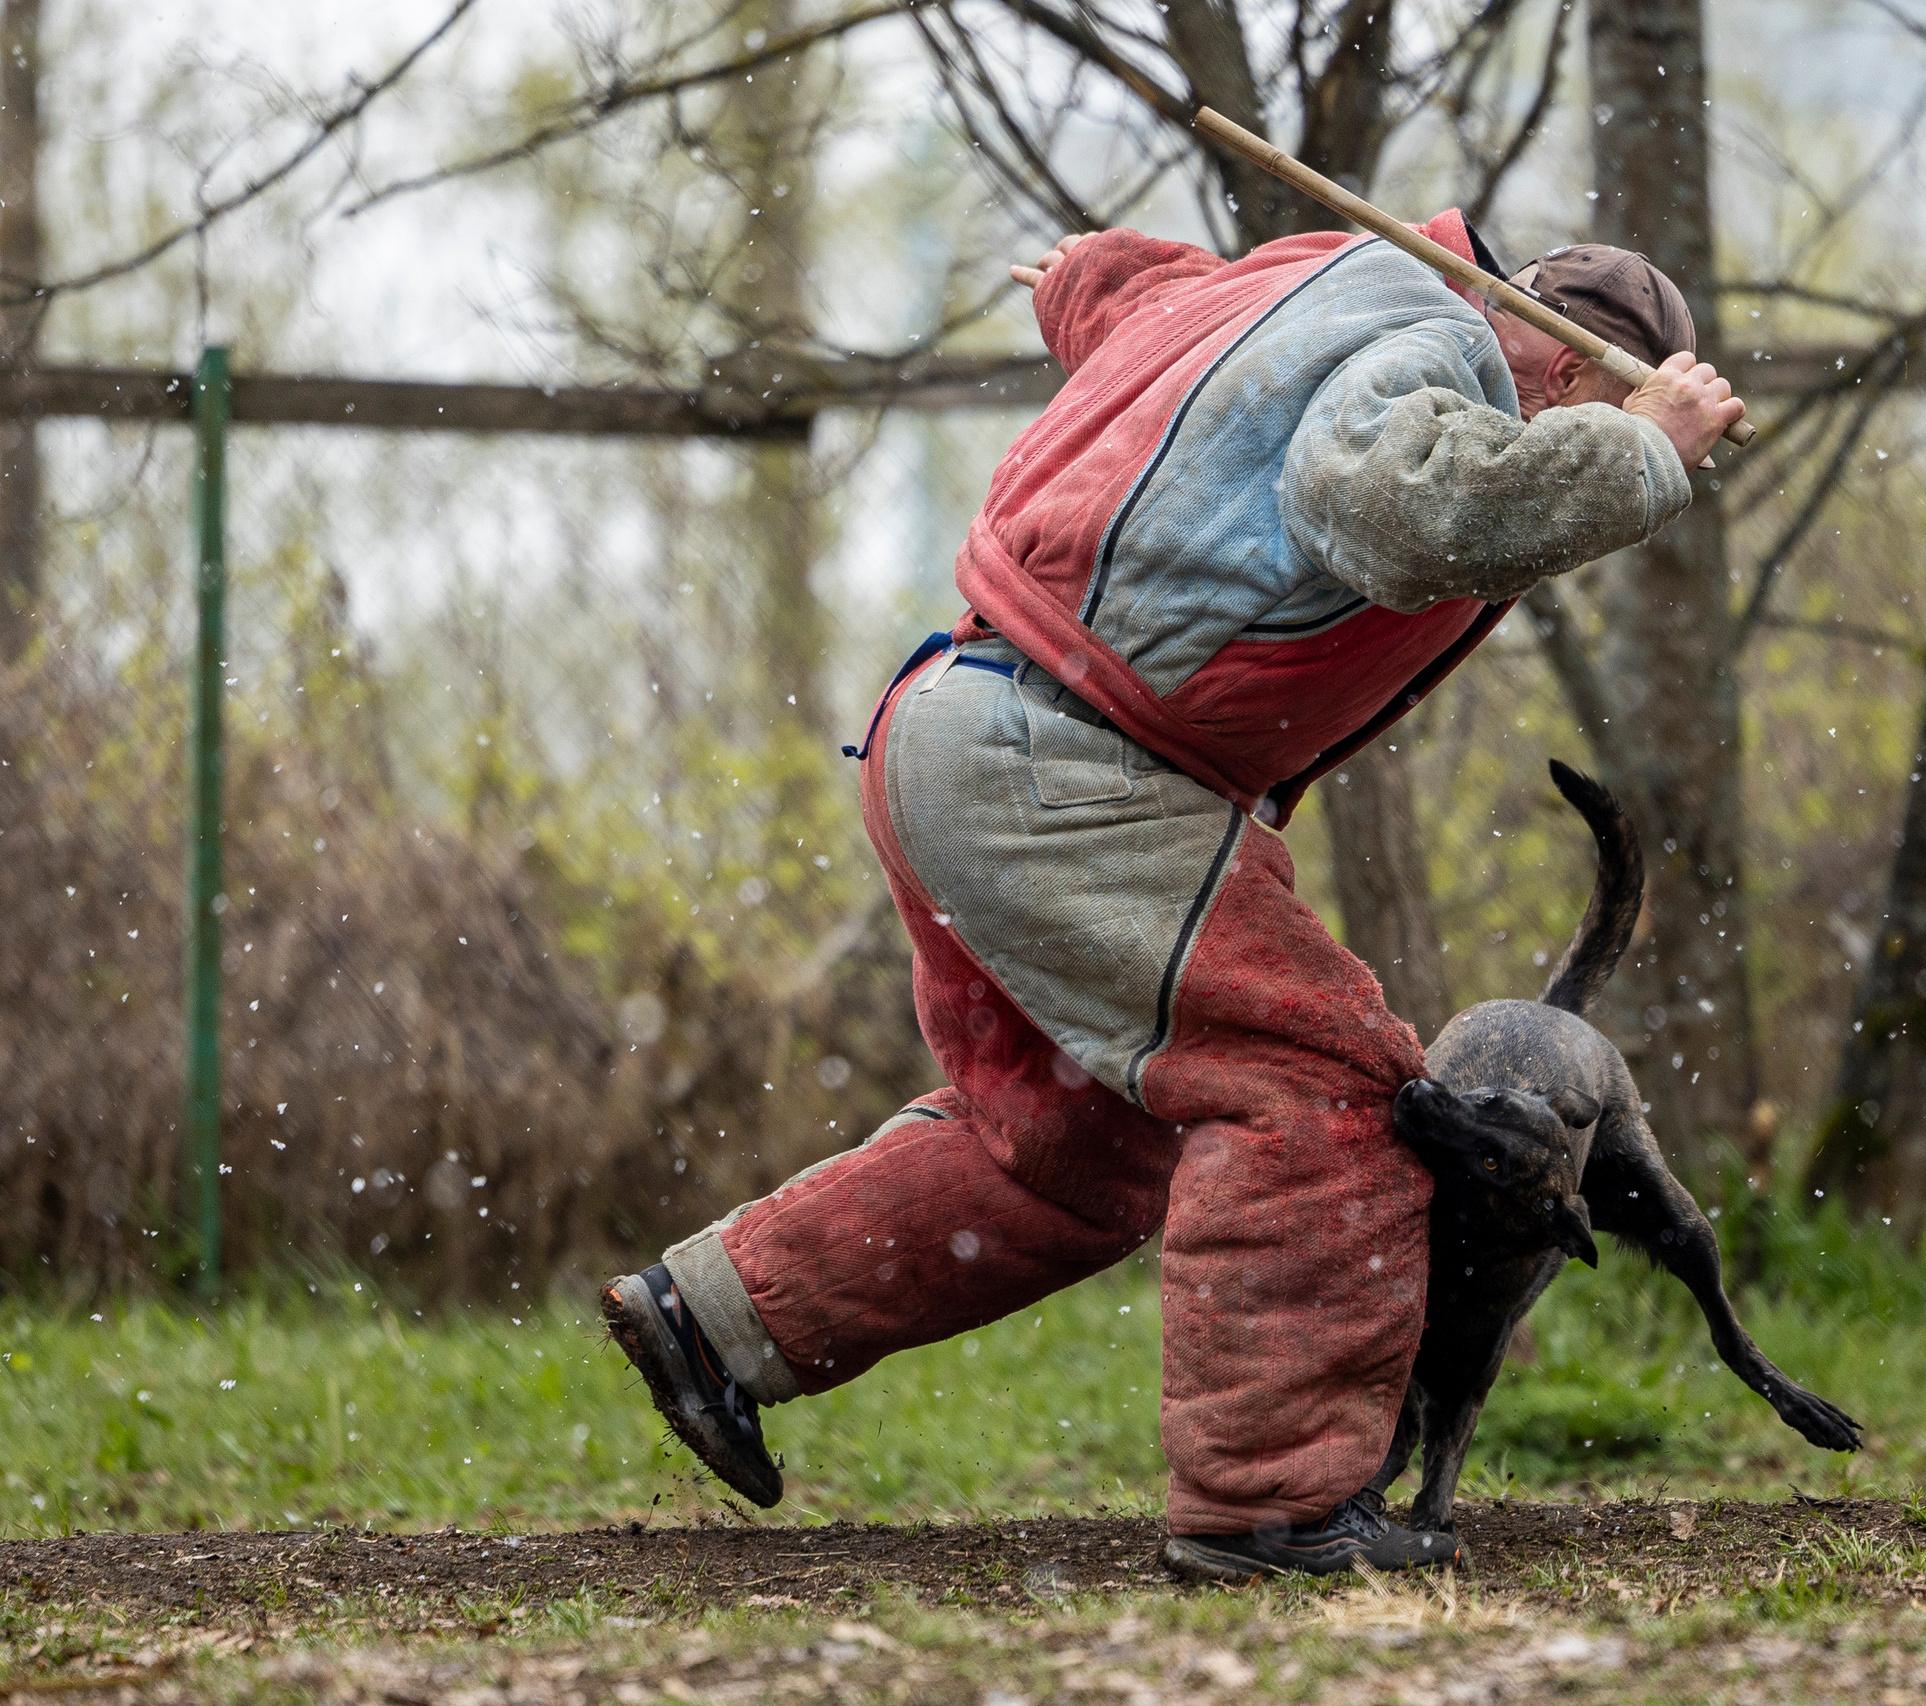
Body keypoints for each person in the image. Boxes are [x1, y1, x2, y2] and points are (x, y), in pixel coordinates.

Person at [601, 210, 1742, 1582]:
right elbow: (1386, 508)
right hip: (1075, 764)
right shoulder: (1433, 352)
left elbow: (1148, 300)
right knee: (1328, 1082)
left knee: (1078, 1148)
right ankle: (1269, 1506)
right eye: (1588, 419)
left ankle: (723, 1318)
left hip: (960, 728)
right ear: (1564, 377)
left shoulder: (1318, 290)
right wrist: (1643, 450)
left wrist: (1075, 280)